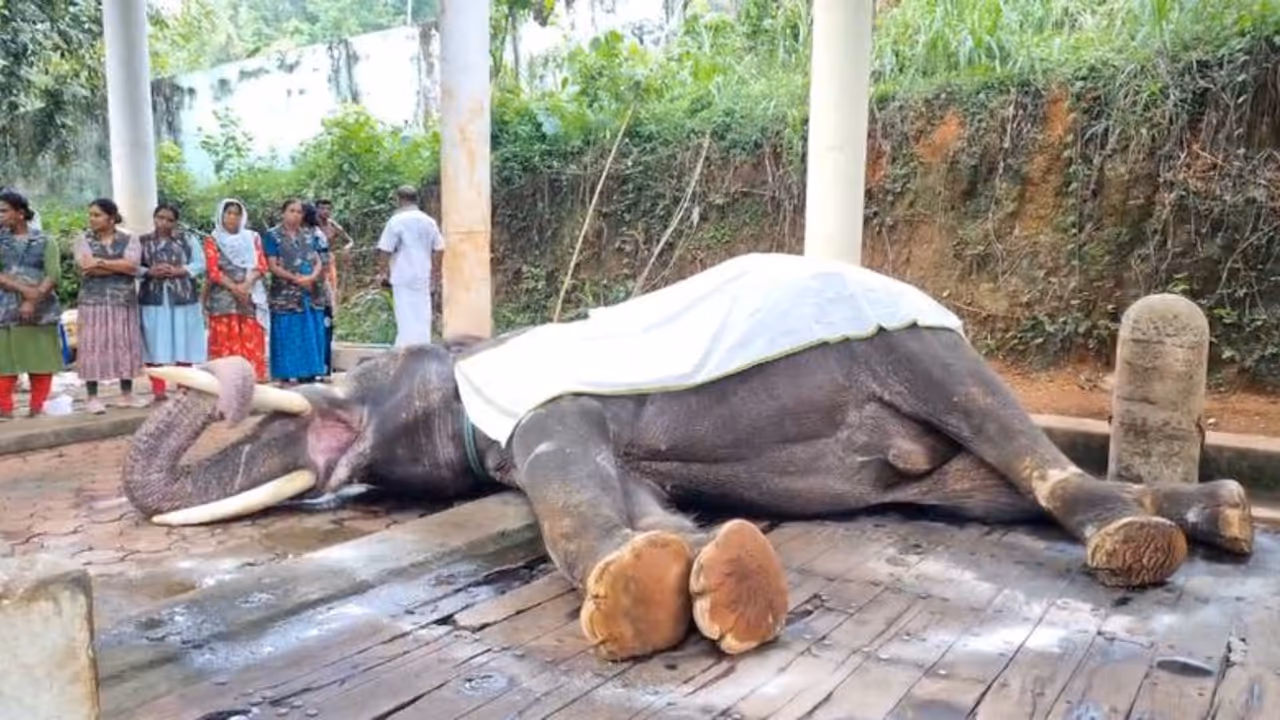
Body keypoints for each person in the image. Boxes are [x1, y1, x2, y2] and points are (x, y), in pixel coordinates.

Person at [74, 198, 146, 413]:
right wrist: (117, 265)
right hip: (92, 301)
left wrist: (101, 262)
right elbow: (86, 267)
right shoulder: (82, 239)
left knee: (124, 344)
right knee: (92, 346)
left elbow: (132, 266)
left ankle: (127, 394)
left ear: (111, 217)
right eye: (90, 215)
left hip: (121, 300)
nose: (92, 219)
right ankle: (92, 397)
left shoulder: (130, 238)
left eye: (97, 215)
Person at [0, 190, 63, 419]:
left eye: (4, 211)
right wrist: (25, 290)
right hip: (5, 307)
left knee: (41, 357)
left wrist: (32, 300)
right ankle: (4, 409)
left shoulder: (46, 240)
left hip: (42, 309)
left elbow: (53, 274)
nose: (0, 215)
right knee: (4, 359)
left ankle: (38, 406)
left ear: (20, 213)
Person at [138, 203, 208, 402]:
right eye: (160, 218)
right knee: (153, 342)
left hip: (182, 297)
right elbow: (133, 266)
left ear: (176, 222)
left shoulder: (187, 239)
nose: (164, 223)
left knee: (183, 341)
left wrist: (180, 270)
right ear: (154, 218)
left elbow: (200, 263)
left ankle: (183, 388)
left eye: (169, 220)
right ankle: (158, 390)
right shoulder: (142, 241)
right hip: (153, 297)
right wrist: (149, 271)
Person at [203, 198, 269, 381]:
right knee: (225, 341)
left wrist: (246, 286)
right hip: (223, 299)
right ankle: (226, 383)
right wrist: (235, 288)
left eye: (237, 214)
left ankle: (252, 382)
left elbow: (261, 265)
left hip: (250, 295)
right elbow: (213, 271)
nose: (233, 217)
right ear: (221, 215)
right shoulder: (212, 239)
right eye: (229, 213)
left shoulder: (252, 238)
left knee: (250, 336)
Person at [264, 199, 329, 384]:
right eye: (291, 211)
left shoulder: (310, 235)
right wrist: (296, 279)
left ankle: (309, 373)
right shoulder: (272, 236)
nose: (295, 215)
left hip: (310, 293)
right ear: (283, 212)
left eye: (299, 212)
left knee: (310, 331)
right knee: (287, 332)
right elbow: (272, 265)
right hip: (285, 295)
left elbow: (318, 260)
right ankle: (286, 374)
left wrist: (311, 277)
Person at [376, 185, 445, 347]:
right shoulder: (428, 221)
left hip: (402, 275)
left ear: (399, 200)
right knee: (422, 314)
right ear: (416, 199)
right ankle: (422, 347)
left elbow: (385, 250)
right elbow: (440, 248)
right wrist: (435, 273)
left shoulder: (396, 221)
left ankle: (406, 349)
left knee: (405, 315)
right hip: (423, 275)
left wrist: (382, 273)